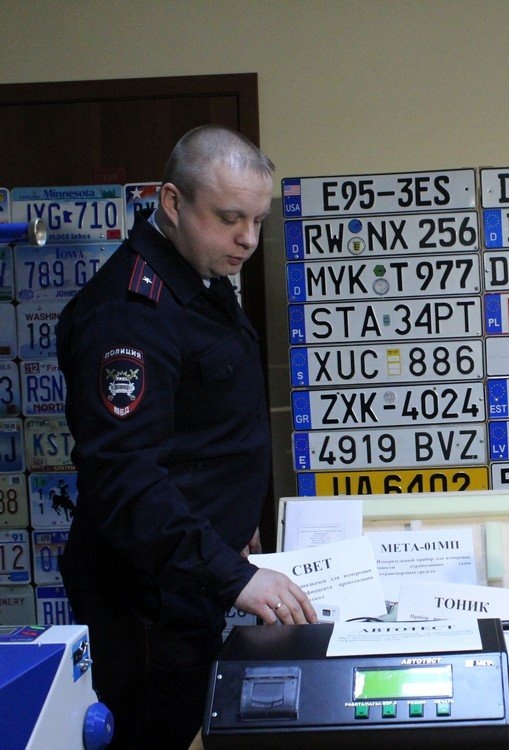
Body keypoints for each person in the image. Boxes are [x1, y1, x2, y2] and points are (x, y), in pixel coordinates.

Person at [57, 125, 317, 749]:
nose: (248, 239)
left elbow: (202, 434)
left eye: (256, 219)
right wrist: (231, 575)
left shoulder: (194, 281)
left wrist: (235, 527)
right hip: (148, 609)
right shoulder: (128, 314)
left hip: (192, 579)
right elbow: (127, 481)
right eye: (229, 218)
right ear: (172, 204)